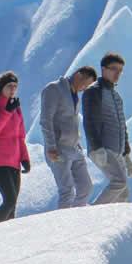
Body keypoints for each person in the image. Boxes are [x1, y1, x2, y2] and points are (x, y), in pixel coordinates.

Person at [40, 66, 98, 209]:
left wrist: (78, 144)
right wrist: (51, 147)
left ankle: (75, 221)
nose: (84, 89)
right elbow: (46, 120)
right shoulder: (54, 89)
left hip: (74, 148)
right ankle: (64, 228)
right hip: (58, 149)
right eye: (85, 84)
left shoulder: (75, 94)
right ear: (78, 75)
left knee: (86, 187)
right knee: (67, 191)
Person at [83, 53, 132, 204]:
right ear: (103, 69)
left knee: (123, 194)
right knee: (119, 182)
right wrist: (96, 147)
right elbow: (90, 121)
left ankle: (116, 224)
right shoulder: (94, 91)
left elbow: (122, 126)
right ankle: (94, 215)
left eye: (120, 70)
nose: (118, 73)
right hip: (103, 148)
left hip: (117, 150)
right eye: (114, 69)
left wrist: (126, 153)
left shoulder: (116, 95)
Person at [0, 72, 31, 223]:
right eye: (9, 86)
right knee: (9, 200)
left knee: (13, 203)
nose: (13, 89)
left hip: (14, 162)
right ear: (1, 88)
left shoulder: (16, 109)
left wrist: (25, 158)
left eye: (15, 86)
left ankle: (6, 237)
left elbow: (20, 137)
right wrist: (7, 112)